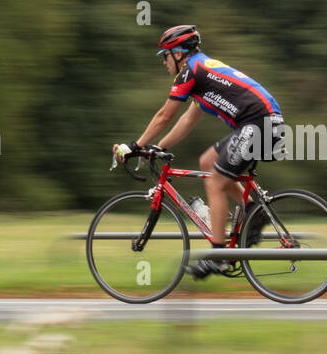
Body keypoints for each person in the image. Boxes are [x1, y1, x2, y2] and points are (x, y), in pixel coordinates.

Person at [113, 25, 285, 278]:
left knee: (216, 181)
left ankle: (218, 256)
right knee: (208, 161)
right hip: (261, 124)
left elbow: (164, 116)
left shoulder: (190, 73)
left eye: (165, 55)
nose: (164, 62)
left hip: (260, 125)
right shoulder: (201, 72)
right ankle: (253, 212)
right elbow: (186, 121)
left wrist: (135, 146)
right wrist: (158, 148)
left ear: (178, 53)